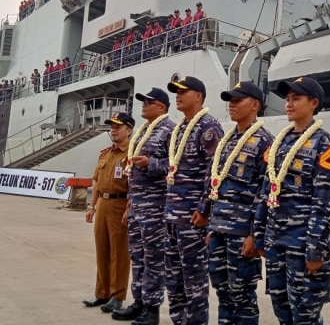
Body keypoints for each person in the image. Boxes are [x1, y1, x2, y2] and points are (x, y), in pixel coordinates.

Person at [254, 77, 330, 324]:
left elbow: (322, 202)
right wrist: (260, 234)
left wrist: (315, 249)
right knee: (282, 311)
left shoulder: (324, 143)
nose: (289, 104)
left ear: (314, 103)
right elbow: (266, 190)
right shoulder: (280, 142)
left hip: (302, 245)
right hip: (276, 242)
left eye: (296, 99)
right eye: (288, 99)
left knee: (305, 315)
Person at [198, 82, 273, 324]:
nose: (232, 104)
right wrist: (212, 226)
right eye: (230, 99)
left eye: (238, 99)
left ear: (254, 105)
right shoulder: (227, 141)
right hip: (219, 230)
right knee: (222, 291)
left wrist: (255, 235)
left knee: (242, 294)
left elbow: (265, 194)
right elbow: (214, 185)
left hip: (242, 233)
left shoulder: (265, 142)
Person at [111, 88, 176, 324]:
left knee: (154, 259)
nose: (144, 105)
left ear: (161, 106)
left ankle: (152, 308)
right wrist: (130, 204)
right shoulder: (142, 132)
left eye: (149, 102)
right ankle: (138, 301)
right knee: (137, 257)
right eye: (143, 102)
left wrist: (152, 163)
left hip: (156, 206)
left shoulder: (170, 130)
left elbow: (176, 166)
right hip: (138, 205)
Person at [165, 76, 224, 325]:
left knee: (194, 279)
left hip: (192, 218)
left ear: (198, 96)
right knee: (174, 278)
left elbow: (215, 171)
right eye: (176, 92)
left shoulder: (208, 127)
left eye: (183, 91)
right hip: (172, 216)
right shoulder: (179, 128)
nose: (177, 95)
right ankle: (179, 320)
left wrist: (205, 208)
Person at [83, 112, 135, 313]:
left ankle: (117, 296)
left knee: (119, 253)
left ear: (128, 130)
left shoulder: (131, 153)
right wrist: (91, 206)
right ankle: (102, 293)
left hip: (120, 204)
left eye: (117, 127)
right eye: (111, 127)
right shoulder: (105, 153)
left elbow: (135, 185)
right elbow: (96, 181)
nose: (113, 130)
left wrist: (130, 208)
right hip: (103, 204)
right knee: (102, 250)